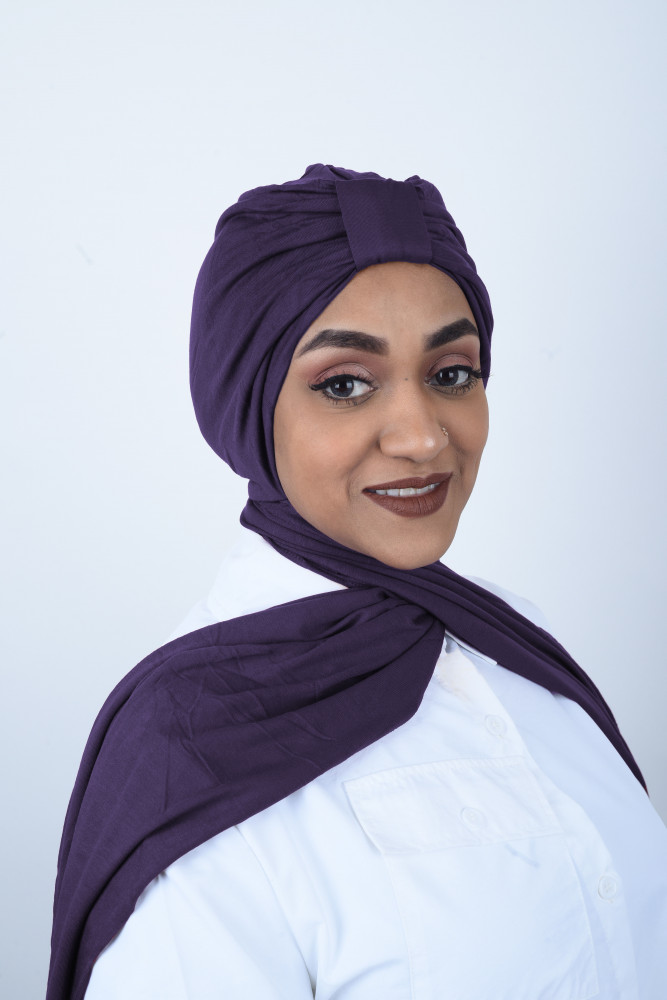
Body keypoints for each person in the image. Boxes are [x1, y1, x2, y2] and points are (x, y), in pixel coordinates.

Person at [47, 164, 667, 1000]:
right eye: (344, 384)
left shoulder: (516, 645)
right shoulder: (187, 745)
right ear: (247, 409)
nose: (422, 438)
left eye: (451, 373)